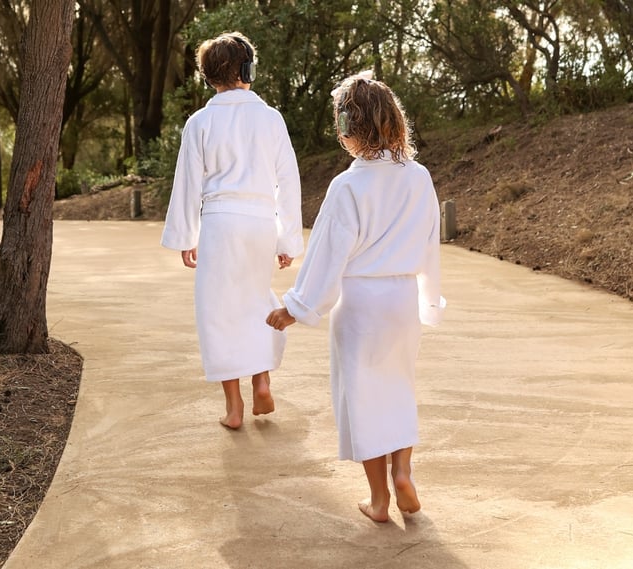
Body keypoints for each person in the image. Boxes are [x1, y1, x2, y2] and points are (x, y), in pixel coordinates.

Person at [266, 73, 445, 522]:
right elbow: (430, 244)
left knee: (362, 398)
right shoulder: (419, 178)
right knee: (399, 390)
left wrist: (296, 307)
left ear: (349, 127)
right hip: (401, 300)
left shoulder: (348, 186)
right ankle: (404, 471)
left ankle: (380, 498)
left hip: (361, 303)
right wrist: (430, 300)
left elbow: (329, 254)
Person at [161, 32, 303, 430]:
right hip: (260, 222)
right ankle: (262, 381)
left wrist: (186, 236)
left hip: (219, 224)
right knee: (258, 301)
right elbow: (288, 181)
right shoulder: (271, 118)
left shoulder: (200, 122)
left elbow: (187, 182)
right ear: (248, 70)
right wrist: (287, 238)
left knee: (218, 312)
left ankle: (234, 407)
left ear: (208, 77)